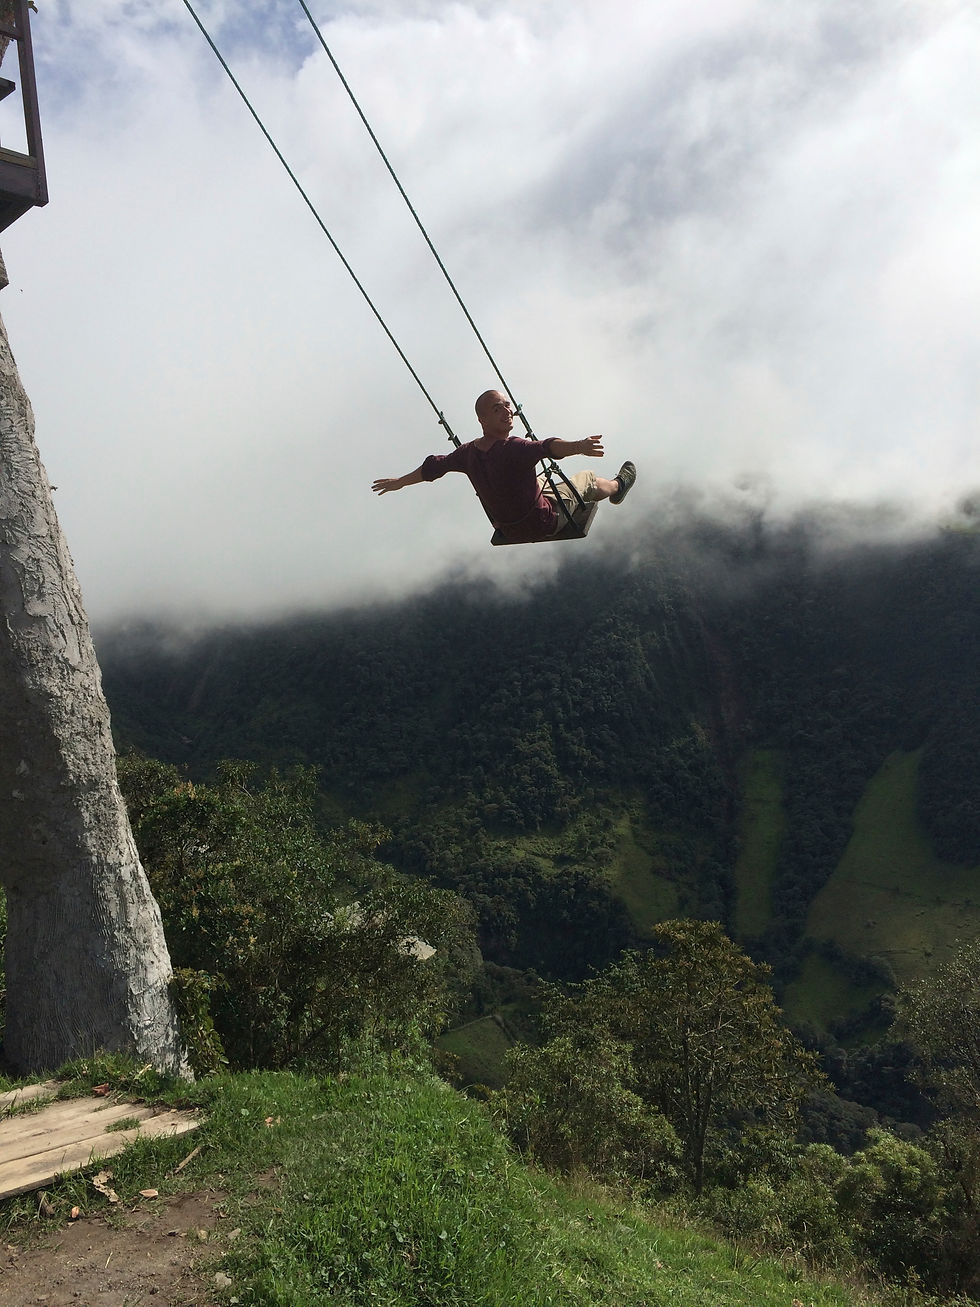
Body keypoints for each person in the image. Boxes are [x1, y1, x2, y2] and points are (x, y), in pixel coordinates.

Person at [371, 390, 636, 544]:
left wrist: (400, 482)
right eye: (498, 409)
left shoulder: (467, 453)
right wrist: (579, 446)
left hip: (507, 527)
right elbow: (547, 447)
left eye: (508, 406)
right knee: (586, 479)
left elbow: (434, 467)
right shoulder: (515, 448)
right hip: (545, 522)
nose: (507, 411)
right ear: (482, 419)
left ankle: (612, 486)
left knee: (545, 486)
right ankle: (618, 486)